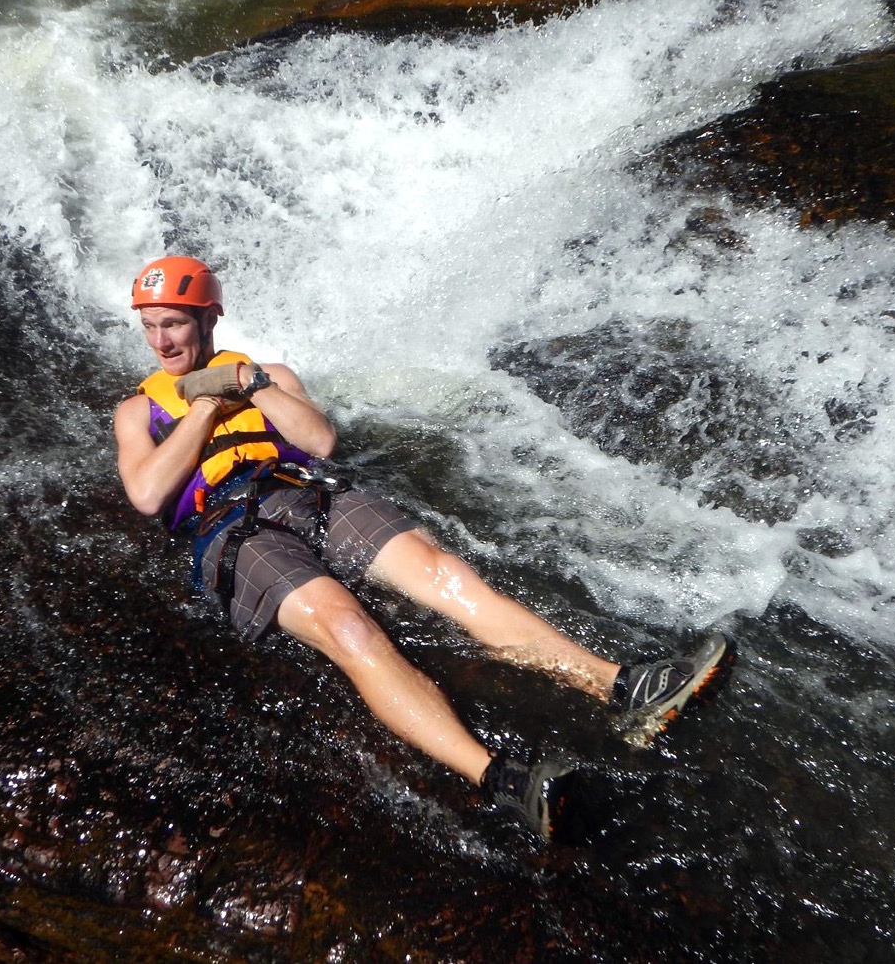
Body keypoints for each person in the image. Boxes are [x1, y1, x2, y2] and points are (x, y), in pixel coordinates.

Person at [113, 256, 735, 839]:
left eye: (174, 324)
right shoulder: (138, 411)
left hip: (310, 492)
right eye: (150, 328)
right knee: (349, 629)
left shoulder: (271, 377)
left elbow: (320, 440)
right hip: (233, 529)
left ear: (210, 318)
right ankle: (504, 780)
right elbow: (146, 494)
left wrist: (247, 383)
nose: (163, 342)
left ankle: (623, 689)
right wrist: (203, 406)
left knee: (445, 574)